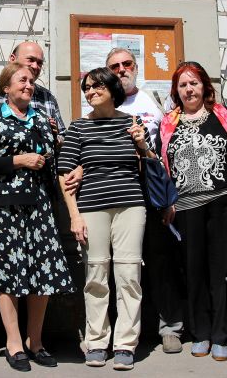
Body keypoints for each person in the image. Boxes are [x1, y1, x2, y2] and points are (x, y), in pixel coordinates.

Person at [0, 41, 77, 357]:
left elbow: (56, 149)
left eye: (34, 74)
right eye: (23, 78)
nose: (30, 81)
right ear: (6, 86)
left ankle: (35, 341)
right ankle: (11, 342)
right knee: (6, 274)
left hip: (40, 206)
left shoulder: (42, 112)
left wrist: (61, 158)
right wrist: (19, 161)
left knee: (43, 272)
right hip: (5, 207)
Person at [58, 67, 154, 371]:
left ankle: (126, 344)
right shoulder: (78, 127)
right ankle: (97, 341)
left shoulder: (132, 123)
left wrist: (142, 144)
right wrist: (74, 216)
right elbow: (64, 173)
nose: (90, 92)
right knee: (95, 274)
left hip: (130, 206)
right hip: (91, 208)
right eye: (87, 88)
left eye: (96, 86)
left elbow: (152, 163)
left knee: (128, 274)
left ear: (112, 89)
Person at [159, 61, 227, 362]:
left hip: (225, 201)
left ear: (204, 86)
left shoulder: (223, 115)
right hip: (186, 206)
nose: (189, 89)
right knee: (193, 269)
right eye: (183, 85)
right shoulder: (168, 122)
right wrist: (168, 201)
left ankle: (222, 334)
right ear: (176, 91)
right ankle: (200, 332)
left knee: (221, 268)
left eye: (194, 83)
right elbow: (163, 165)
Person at [106, 47, 184, 354]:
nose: (121, 70)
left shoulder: (154, 100)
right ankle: (121, 330)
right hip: (117, 193)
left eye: (126, 64)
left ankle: (170, 327)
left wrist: (169, 196)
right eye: (115, 66)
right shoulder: (101, 103)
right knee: (120, 265)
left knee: (160, 259)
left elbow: (168, 151)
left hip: (151, 191)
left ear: (136, 67)